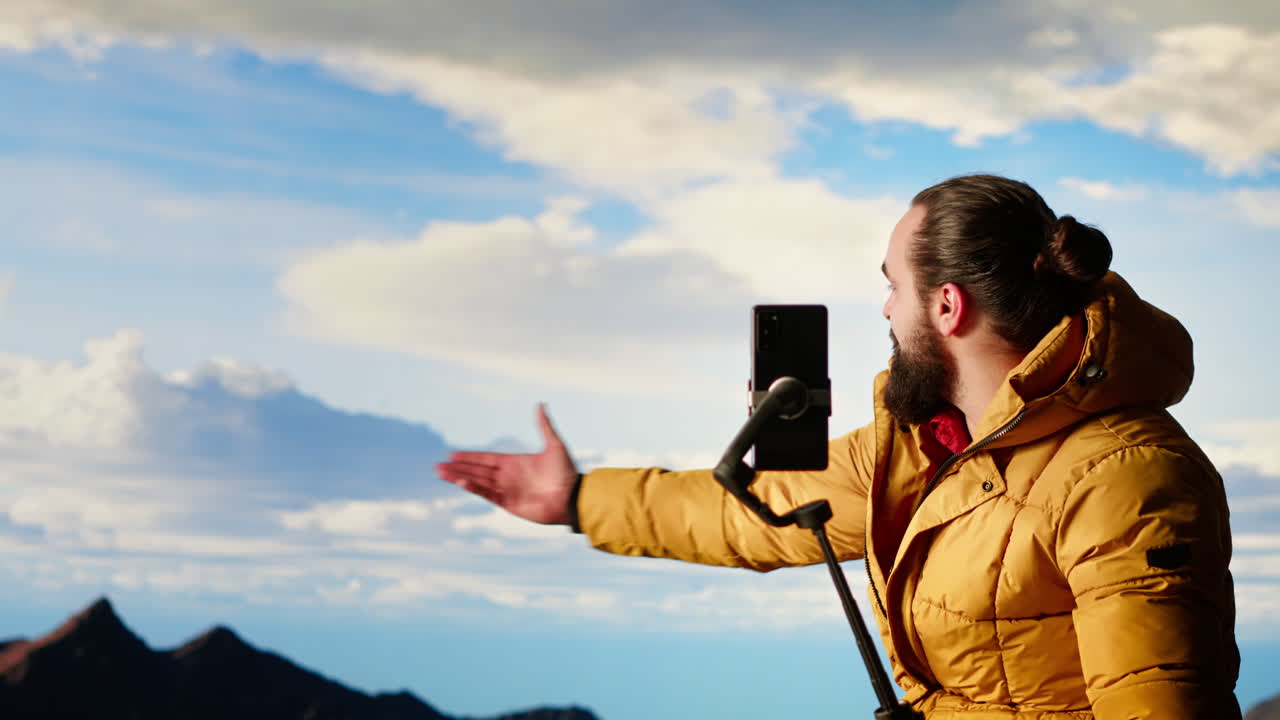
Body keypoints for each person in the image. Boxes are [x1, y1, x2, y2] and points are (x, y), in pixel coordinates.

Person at [435, 174, 1240, 719]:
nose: (885, 309)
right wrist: (578, 499)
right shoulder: (919, 447)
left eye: (893, 284)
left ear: (947, 306)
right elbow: (756, 512)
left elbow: (1158, 703)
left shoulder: (1127, 476)